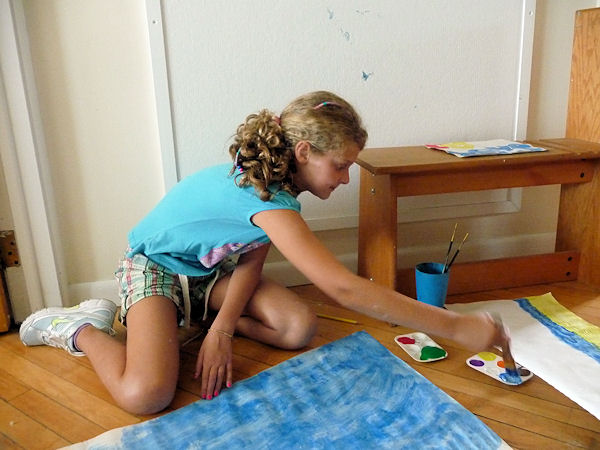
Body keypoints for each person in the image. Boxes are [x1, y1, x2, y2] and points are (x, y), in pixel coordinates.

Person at [20, 91, 505, 415]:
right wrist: (457, 327)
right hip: (155, 269)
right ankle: (81, 328)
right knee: (145, 394)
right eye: (340, 166)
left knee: (297, 327)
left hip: (209, 275)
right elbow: (342, 287)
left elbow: (251, 257)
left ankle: (198, 324)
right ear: (304, 152)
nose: (345, 179)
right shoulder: (266, 199)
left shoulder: (276, 186)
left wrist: (223, 329)